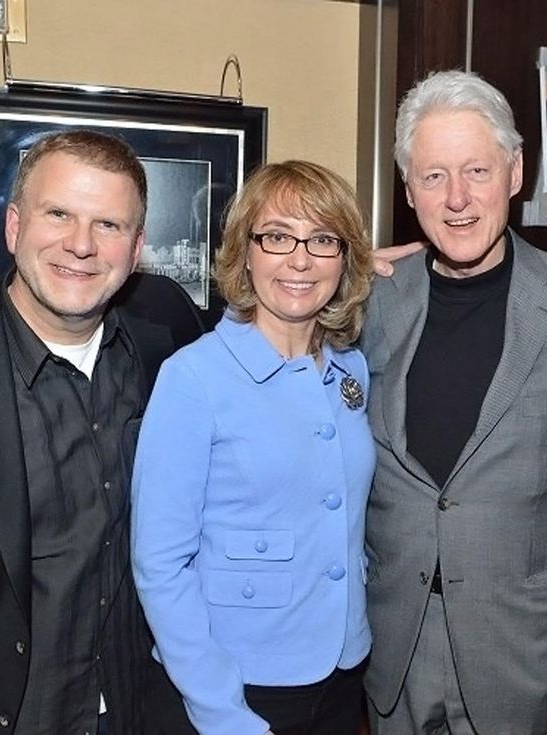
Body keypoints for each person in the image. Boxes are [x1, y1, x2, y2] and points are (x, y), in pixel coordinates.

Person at [361, 69, 547, 734]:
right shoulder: (367, 299)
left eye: (477, 170)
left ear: (514, 173)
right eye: (433, 177)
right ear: (408, 190)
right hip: (393, 650)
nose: (457, 198)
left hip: (521, 658)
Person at [0, 130, 202, 734]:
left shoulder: (163, 340)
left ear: (138, 245)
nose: (81, 245)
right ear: (14, 226)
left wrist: (365, 275)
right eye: (59, 214)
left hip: (131, 710)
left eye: (110, 225)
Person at [131, 160, 377, 735]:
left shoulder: (351, 370)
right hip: (235, 686)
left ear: (344, 259)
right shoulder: (193, 378)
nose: (300, 259)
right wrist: (220, 711)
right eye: (277, 237)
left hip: (342, 674)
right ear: (245, 252)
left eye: (322, 239)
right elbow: (160, 563)